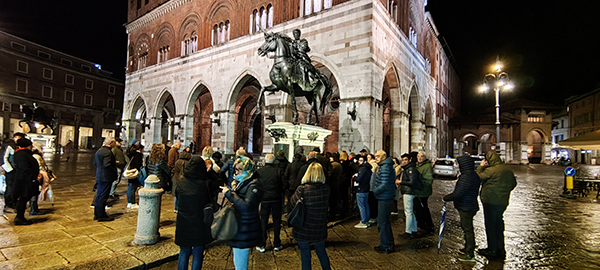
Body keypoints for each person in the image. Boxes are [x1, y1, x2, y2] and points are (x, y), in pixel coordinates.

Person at [220, 156, 263, 270]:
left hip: (245, 227)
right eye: (235, 169)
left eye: (239, 169)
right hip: (239, 225)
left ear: (247, 169)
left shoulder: (254, 184)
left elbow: (246, 206)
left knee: (241, 263)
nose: (236, 172)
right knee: (238, 261)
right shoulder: (243, 181)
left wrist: (230, 194)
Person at [476, 150, 517, 260]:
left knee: (491, 226)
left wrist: (480, 167)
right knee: (499, 225)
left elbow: (477, 177)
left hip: (491, 201)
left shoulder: (491, 170)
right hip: (502, 202)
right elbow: (513, 184)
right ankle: (501, 249)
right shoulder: (508, 170)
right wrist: (504, 191)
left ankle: (492, 249)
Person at [290, 162, 331, 270]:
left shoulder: (302, 189)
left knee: (305, 254)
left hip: (304, 226)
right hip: (319, 226)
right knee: (321, 251)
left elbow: (292, 202)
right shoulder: (326, 189)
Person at [175, 156, 213, 270]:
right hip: (198, 222)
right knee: (197, 252)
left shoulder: (181, 182)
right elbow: (209, 200)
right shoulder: (203, 184)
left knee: (184, 251)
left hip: (183, 221)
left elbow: (178, 197)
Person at [443, 156, 482, 262]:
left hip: (466, 206)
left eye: (459, 163)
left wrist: (446, 198)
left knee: (468, 229)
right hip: (470, 205)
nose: (458, 165)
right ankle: (467, 248)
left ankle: (470, 254)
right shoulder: (472, 175)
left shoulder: (466, 177)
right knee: (466, 229)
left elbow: (458, 193)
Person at [256, 154, 284, 252]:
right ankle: (277, 243)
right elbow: (283, 184)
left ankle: (262, 243)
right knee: (277, 221)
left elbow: (257, 184)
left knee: (263, 221)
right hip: (276, 199)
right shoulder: (278, 171)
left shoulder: (260, 172)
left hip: (264, 199)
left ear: (265, 160)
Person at [372, 150, 396, 254]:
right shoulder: (385, 165)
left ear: (383, 157)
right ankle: (389, 243)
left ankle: (385, 245)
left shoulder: (385, 167)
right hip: (385, 196)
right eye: (375, 156)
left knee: (382, 222)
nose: (376, 157)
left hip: (384, 197)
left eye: (378, 156)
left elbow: (384, 184)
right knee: (385, 222)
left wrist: (375, 191)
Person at [12, 138, 39, 225]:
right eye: (31, 145)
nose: (32, 147)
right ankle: (19, 217)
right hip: (25, 180)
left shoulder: (21, 153)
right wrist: (32, 178)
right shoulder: (22, 155)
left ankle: (20, 217)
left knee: (24, 198)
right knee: (23, 198)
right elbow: (25, 168)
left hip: (24, 179)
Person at [93, 137, 118, 221]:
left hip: (99, 175)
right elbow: (107, 164)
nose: (115, 144)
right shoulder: (108, 152)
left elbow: (95, 163)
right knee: (103, 196)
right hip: (106, 177)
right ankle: (101, 215)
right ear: (111, 143)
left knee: (99, 194)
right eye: (114, 142)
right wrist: (113, 170)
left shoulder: (99, 151)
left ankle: (97, 213)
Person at [1, 132, 25, 213]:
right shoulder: (8, 145)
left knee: (15, 187)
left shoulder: (16, 146)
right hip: (10, 171)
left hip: (16, 170)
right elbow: (4, 159)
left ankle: (14, 203)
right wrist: (10, 170)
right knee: (10, 187)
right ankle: (8, 205)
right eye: (17, 137)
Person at [398, 153, 419, 239]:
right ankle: (413, 230)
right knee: (411, 212)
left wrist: (400, 182)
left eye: (406, 160)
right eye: (403, 160)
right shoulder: (407, 169)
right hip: (407, 192)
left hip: (409, 192)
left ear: (410, 159)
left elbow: (412, 182)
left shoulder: (410, 169)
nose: (404, 161)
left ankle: (408, 231)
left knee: (408, 212)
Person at [414, 152, 435, 235]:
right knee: (419, 208)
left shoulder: (427, 166)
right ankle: (423, 224)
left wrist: (418, 182)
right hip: (418, 191)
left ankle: (426, 225)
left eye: (422, 156)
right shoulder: (417, 165)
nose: (420, 158)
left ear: (425, 157)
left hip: (423, 191)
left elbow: (428, 180)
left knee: (422, 208)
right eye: (418, 156)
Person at [353, 155, 371, 228]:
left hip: (361, 189)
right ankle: (366, 220)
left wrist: (355, 177)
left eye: (360, 160)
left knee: (361, 206)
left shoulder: (362, 169)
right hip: (366, 188)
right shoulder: (368, 168)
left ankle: (363, 221)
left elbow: (359, 179)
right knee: (366, 204)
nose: (359, 162)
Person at [126, 143, 144, 209]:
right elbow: (138, 164)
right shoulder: (138, 155)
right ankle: (132, 202)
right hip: (135, 173)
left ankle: (130, 202)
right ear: (140, 149)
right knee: (132, 188)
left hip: (131, 172)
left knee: (131, 187)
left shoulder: (132, 154)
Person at [328, 153, 342, 219]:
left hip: (332, 185)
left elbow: (330, 174)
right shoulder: (339, 165)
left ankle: (332, 214)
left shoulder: (333, 165)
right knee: (335, 200)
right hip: (337, 184)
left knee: (332, 201)